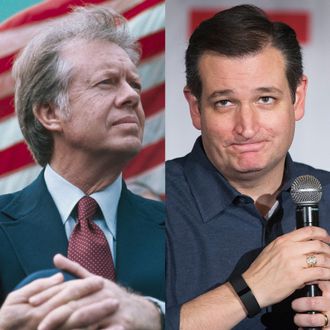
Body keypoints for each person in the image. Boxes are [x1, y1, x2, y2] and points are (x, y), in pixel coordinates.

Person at [166, 4, 330, 329]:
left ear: (297, 98)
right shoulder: (149, 204)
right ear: (196, 108)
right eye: (225, 102)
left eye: (265, 99)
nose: (248, 127)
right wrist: (248, 291)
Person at [0, 6, 164, 330]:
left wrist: (157, 316)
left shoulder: (182, 229)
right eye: (107, 82)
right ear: (50, 113)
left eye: (134, 84)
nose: (131, 96)